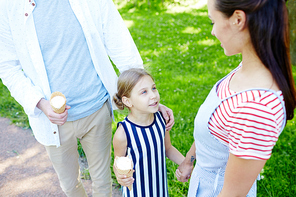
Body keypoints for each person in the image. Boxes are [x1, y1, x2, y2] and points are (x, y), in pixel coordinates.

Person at [0, 0, 174, 196]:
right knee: (69, 185)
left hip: (96, 109)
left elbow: (122, 47)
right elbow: (7, 66)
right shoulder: (8, 6)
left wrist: (145, 99)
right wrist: (41, 104)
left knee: (102, 182)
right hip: (51, 122)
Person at [175, 0, 296, 196]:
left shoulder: (257, 109)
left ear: (238, 19)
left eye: (212, 21)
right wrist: (190, 160)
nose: (212, 32)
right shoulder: (245, 70)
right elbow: (213, 127)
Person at [112, 68, 185, 197]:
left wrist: (187, 164)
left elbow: (168, 148)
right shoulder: (123, 133)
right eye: (144, 92)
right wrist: (120, 176)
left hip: (160, 190)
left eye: (153, 88)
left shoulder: (161, 119)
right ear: (128, 101)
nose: (153, 95)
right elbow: (118, 163)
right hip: (136, 193)